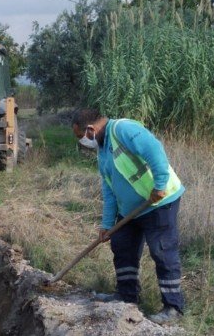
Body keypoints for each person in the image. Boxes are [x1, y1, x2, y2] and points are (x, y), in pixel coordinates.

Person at [71, 108, 186, 324]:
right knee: (122, 245)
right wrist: (106, 224)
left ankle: (173, 307)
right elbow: (109, 189)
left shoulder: (123, 129)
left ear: (90, 129)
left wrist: (160, 184)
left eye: (80, 137)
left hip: (159, 202)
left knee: (162, 251)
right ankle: (126, 296)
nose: (82, 142)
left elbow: (155, 150)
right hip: (130, 211)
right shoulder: (103, 149)